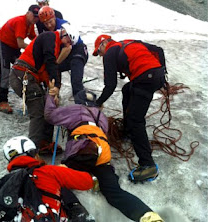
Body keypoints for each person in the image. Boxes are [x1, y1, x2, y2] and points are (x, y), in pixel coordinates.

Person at [44, 87, 165, 222]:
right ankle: (148, 216)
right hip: (103, 155)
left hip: (82, 151)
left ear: (78, 101)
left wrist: (50, 98)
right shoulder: (101, 116)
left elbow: (50, 115)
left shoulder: (76, 109)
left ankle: (79, 209)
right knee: (115, 193)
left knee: (57, 179)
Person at [92, 34, 167, 182]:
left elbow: (110, 85)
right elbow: (158, 50)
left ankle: (148, 165)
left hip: (145, 78)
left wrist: (98, 103)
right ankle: (127, 131)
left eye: (99, 52)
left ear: (104, 43)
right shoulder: (127, 43)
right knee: (127, 89)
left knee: (135, 120)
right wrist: (162, 71)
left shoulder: (110, 52)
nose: (101, 56)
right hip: (154, 74)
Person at [9, 25, 73, 153]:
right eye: (69, 41)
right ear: (64, 34)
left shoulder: (54, 49)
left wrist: (56, 91)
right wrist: (54, 86)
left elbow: (49, 71)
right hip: (22, 74)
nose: (68, 45)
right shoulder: (50, 37)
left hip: (28, 76)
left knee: (48, 106)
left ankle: (44, 143)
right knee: (37, 112)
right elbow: (50, 61)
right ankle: (32, 151)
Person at [1, 136, 94, 221]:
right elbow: (87, 182)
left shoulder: (4, 184)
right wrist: (62, 170)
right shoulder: (48, 171)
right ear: (33, 153)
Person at [0, 5, 39, 114]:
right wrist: (34, 50)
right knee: (5, 71)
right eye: (34, 16)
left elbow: (34, 39)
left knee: (22, 67)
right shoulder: (21, 22)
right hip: (3, 44)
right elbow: (21, 43)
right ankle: (3, 100)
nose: (36, 19)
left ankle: (29, 93)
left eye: (37, 17)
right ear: (28, 13)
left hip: (14, 47)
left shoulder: (30, 25)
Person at [38, 6, 87, 96]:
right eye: (46, 24)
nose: (49, 25)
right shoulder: (44, 28)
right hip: (66, 51)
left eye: (50, 22)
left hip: (77, 50)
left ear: (54, 18)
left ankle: (83, 104)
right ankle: (55, 92)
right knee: (51, 69)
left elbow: (67, 48)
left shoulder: (63, 26)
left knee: (76, 83)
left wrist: (55, 64)